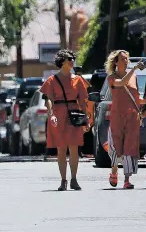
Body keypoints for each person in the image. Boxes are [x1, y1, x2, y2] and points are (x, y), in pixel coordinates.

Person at [40, 49, 89, 191]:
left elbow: (83, 100)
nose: (72, 61)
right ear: (62, 62)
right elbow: (48, 99)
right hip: (58, 114)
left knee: (74, 147)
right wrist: (51, 114)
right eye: (69, 59)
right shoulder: (52, 80)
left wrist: (85, 119)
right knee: (61, 149)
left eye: (73, 58)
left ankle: (74, 179)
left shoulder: (78, 80)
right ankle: (63, 180)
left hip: (74, 114)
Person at [105, 50, 146, 189]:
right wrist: (135, 68)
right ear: (116, 62)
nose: (126, 61)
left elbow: (136, 97)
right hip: (117, 116)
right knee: (115, 145)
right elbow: (122, 82)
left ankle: (127, 180)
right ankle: (114, 170)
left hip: (132, 117)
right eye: (123, 59)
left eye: (127, 59)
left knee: (130, 147)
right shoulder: (111, 78)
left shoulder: (134, 77)